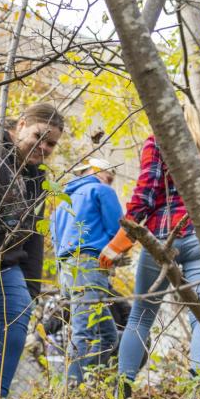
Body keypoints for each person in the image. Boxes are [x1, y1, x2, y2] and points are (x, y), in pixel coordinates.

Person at [99, 101, 200, 392]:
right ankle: (199, 390)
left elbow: (144, 197)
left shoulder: (157, 144)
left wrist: (118, 245)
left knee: (141, 315)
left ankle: (121, 388)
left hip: (163, 239)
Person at [0, 102, 64, 399]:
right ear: (22, 124)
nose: (45, 147)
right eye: (40, 136)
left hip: (2, 262)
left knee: (18, 311)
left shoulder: (37, 178)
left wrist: (32, 285)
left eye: (51, 143)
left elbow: (35, 235)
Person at [51, 157, 123, 384]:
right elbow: (117, 229)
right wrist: (116, 256)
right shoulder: (101, 190)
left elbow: (55, 241)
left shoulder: (63, 202)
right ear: (92, 171)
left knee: (109, 338)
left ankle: (88, 385)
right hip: (90, 264)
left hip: (67, 269)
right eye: (107, 174)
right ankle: (70, 396)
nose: (109, 181)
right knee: (83, 332)